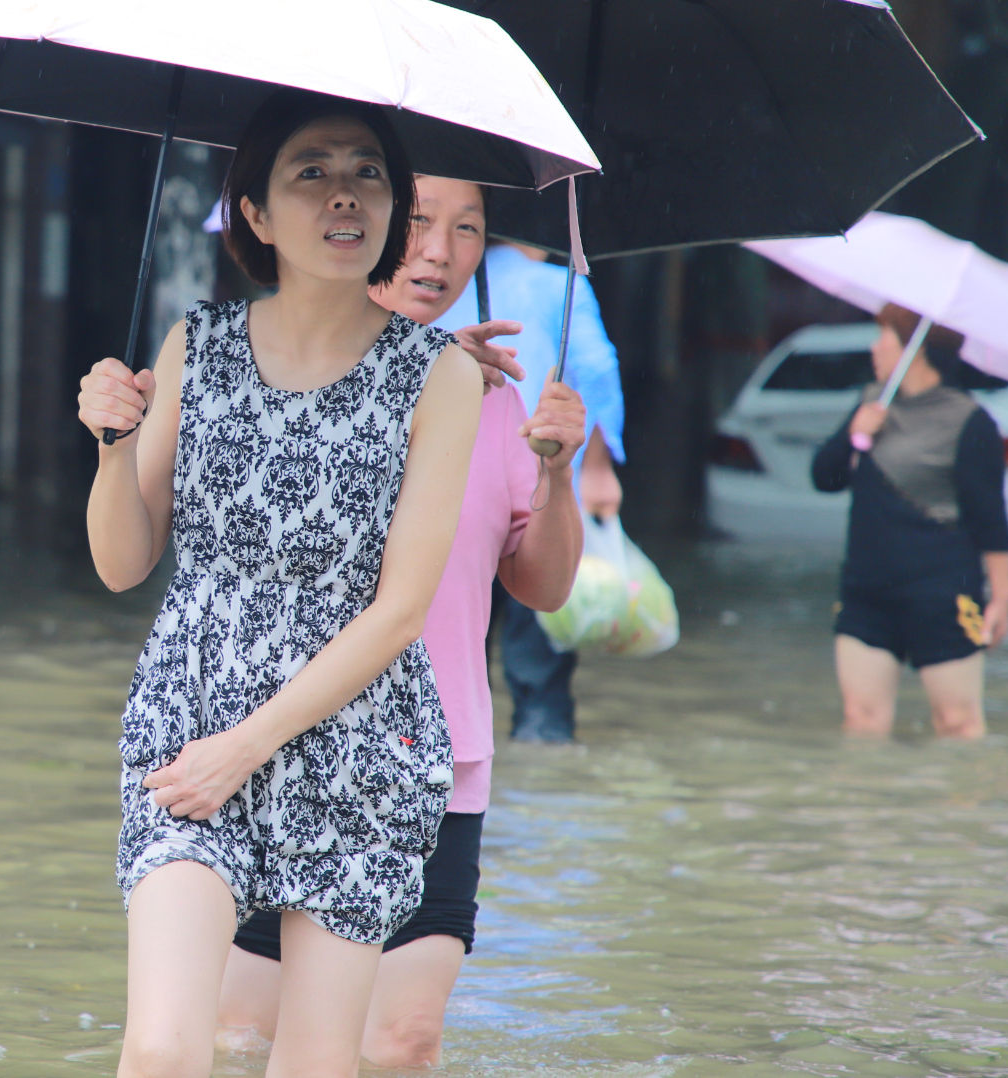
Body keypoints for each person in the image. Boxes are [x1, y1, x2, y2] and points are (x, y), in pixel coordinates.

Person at [75, 90, 484, 1078]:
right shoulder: (196, 347)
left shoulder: (438, 376)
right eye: (313, 171)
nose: (346, 195)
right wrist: (110, 445)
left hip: (354, 744)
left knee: (312, 1060)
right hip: (190, 711)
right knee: (168, 1045)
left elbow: (400, 613)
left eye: (368, 173)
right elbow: (124, 563)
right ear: (254, 212)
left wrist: (247, 748)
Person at [213, 175, 589, 1068]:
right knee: (241, 1039)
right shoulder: (289, 369)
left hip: (436, 758)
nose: (439, 249)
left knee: (403, 1042)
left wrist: (557, 472)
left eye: (468, 229)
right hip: (283, 747)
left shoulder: (500, 400)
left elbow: (543, 589)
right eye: (420, 221)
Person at [435, 242, 624, 743]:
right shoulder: (560, 285)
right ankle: (540, 755)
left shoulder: (434, 284)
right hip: (539, 489)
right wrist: (598, 468)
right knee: (537, 649)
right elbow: (598, 371)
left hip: (454, 499)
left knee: (455, 647)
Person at [811, 304, 1008, 740]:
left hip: (941, 597)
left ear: (913, 351)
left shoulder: (969, 422)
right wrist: (855, 434)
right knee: (861, 723)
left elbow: (990, 520)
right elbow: (823, 478)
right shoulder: (870, 403)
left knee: (957, 725)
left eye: (883, 336)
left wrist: (1001, 596)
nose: (873, 347)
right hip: (866, 594)